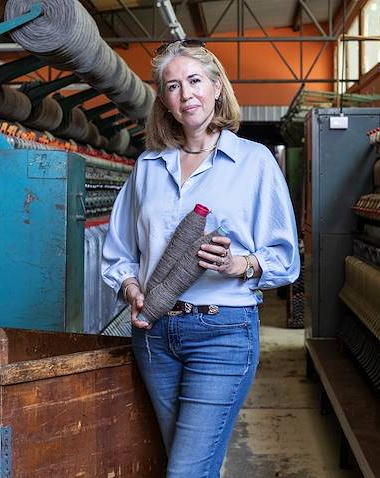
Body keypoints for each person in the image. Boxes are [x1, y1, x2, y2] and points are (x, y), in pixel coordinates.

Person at [101, 40, 300, 478]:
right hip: (154, 334)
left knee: (187, 471)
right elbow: (118, 250)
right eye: (172, 86)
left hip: (222, 333)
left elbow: (284, 258)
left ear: (215, 87)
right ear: (165, 102)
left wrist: (238, 265)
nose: (185, 94)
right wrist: (131, 285)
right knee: (186, 463)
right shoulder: (149, 166)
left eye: (194, 81)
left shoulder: (254, 162)